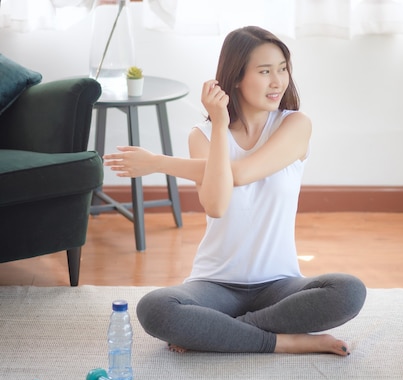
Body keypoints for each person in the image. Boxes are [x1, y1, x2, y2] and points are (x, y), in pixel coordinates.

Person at [103, 26, 367, 356]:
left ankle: (218, 330)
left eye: (283, 69)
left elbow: (239, 174)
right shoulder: (203, 135)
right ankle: (284, 341)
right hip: (215, 284)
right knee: (155, 308)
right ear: (237, 77)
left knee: (348, 291)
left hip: (279, 284)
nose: (277, 81)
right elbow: (215, 203)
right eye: (265, 71)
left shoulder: (296, 125)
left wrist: (158, 163)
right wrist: (218, 123)